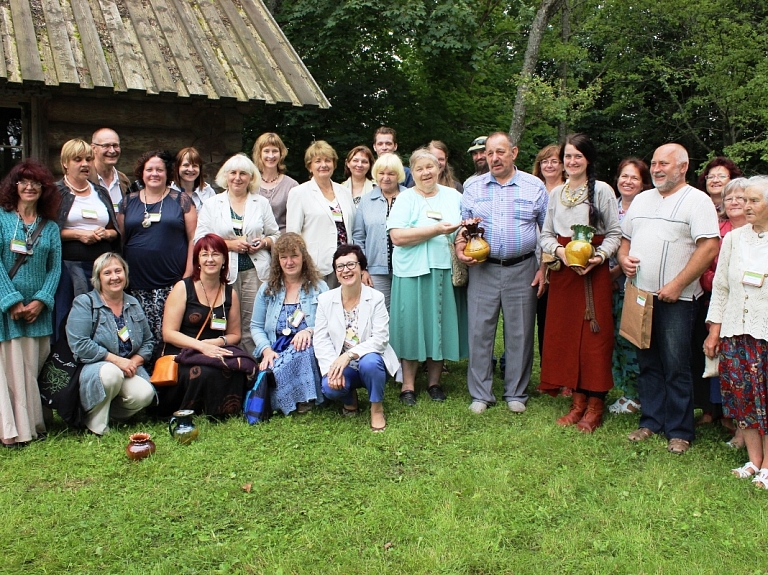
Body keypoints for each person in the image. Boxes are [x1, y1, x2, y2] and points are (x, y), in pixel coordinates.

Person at [619, 143, 720, 454]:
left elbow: (710, 247)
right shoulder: (641, 200)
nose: (657, 168)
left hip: (679, 300)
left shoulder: (697, 201)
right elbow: (625, 241)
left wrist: (677, 284)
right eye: (654, 163)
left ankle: (679, 430)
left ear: (683, 167)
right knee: (647, 361)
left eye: (664, 163)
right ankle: (651, 421)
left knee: (677, 366)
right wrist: (623, 260)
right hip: (640, 296)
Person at [456, 132, 548, 414]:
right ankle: (481, 394)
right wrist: (461, 249)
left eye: (500, 152)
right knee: (480, 331)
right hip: (483, 267)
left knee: (520, 332)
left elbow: (548, 232)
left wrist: (544, 268)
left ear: (514, 153)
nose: (493, 158)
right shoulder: (473, 187)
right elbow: (463, 227)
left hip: (523, 268)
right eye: (489, 153)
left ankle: (516, 392)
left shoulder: (535, 187)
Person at [539, 134, 622, 432]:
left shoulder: (601, 191)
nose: (572, 162)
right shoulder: (556, 193)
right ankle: (577, 403)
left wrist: (598, 258)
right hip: (564, 274)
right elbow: (546, 235)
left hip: (592, 273)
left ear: (588, 160)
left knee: (593, 339)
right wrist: (561, 251)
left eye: (578, 157)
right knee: (566, 335)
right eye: (568, 157)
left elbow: (614, 234)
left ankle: (595, 405)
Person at [387, 148, 468, 405]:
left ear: (439, 168)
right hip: (411, 270)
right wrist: (434, 230)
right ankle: (408, 386)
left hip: (444, 268)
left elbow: (462, 231)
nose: (425, 173)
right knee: (411, 326)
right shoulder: (405, 198)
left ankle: (434, 383)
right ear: (413, 172)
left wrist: (464, 239)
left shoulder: (453, 196)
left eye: (430, 167)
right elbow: (397, 237)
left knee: (439, 325)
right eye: (419, 168)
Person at [704, 176, 768, 485]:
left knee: (766, 399)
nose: (746, 205)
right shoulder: (733, 239)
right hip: (735, 332)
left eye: (754, 200)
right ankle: (754, 460)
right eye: (745, 199)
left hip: (765, 334)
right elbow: (721, 288)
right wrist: (714, 331)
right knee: (744, 399)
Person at [0, 159, 61, 447]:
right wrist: (10, 300)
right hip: (7, 313)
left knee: (31, 369)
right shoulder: (1, 219)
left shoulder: (49, 227)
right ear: (13, 187)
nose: (29, 187)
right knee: (12, 370)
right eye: (23, 181)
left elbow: (55, 268)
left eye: (36, 182)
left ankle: (34, 424)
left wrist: (41, 300)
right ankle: (15, 431)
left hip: (38, 314)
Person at [117, 151, 197, 365]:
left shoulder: (181, 200)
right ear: (141, 173)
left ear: (167, 173)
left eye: (159, 169)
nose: (154, 174)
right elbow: (121, 241)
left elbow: (193, 239)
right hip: (136, 286)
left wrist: (187, 276)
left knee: (168, 337)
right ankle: (144, 383)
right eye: (149, 169)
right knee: (140, 337)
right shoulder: (127, 203)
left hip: (171, 284)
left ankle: (169, 385)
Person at [195, 154, 279, 356]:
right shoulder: (213, 204)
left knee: (253, 322)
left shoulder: (261, 203)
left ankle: (253, 366)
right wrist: (230, 245)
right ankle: (229, 364)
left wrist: (264, 242)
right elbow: (200, 239)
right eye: (233, 173)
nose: (238, 178)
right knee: (225, 322)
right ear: (226, 176)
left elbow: (275, 234)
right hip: (223, 273)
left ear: (251, 178)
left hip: (255, 272)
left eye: (243, 173)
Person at [158, 234, 247, 417]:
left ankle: (226, 412)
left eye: (215, 254)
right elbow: (168, 333)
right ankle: (192, 412)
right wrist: (202, 347)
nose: (210, 259)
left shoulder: (230, 293)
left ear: (224, 260)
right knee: (203, 372)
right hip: (182, 351)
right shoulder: (183, 288)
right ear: (197, 260)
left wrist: (215, 344)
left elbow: (235, 334)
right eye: (204, 254)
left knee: (238, 369)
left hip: (216, 349)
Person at [66, 253, 155, 435]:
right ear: (98, 278)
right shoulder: (85, 303)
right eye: (107, 273)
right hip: (95, 369)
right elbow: (80, 344)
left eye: (118, 271)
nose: (114, 277)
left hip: (128, 368)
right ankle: (96, 425)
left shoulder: (133, 303)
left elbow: (148, 341)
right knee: (111, 373)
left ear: (125, 274)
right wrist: (117, 361)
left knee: (145, 394)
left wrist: (134, 362)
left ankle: (110, 414)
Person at [314, 245, 399, 432]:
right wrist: (332, 368)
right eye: (340, 266)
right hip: (343, 365)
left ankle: (376, 409)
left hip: (370, 361)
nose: (346, 270)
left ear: (361, 268)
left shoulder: (376, 298)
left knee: (370, 362)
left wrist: (349, 355)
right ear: (336, 272)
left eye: (351, 264)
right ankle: (349, 398)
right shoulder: (325, 300)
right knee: (329, 386)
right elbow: (320, 339)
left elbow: (381, 339)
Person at [251, 233, 328, 415]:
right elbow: (256, 326)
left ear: (303, 257)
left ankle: (300, 398)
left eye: (294, 255)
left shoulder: (320, 288)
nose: (289, 262)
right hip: (276, 349)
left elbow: (333, 324)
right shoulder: (267, 289)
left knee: (302, 348)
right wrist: (266, 350)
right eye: (283, 257)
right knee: (276, 362)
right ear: (278, 260)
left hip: (309, 350)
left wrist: (309, 331)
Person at [700, 178, 749, 448]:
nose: (733, 202)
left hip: (754, 314)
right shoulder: (725, 234)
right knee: (733, 372)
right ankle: (739, 428)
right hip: (723, 309)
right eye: (729, 198)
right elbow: (715, 278)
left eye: (742, 198)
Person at [608, 158, 652, 415]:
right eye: (624, 176)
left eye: (634, 178)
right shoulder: (609, 207)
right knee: (615, 338)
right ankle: (625, 390)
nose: (628, 181)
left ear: (643, 183)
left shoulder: (648, 209)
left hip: (635, 285)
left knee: (633, 339)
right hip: (608, 285)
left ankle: (637, 394)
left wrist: (616, 273)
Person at [286, 141, 356, 287]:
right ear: (309, 166)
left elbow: (352, 229)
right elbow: (293, 234)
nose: (323, 165)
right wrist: (301, 264)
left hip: (345, 265)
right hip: (316, 266)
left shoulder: (344, 191)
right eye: (318, 161)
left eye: (328, 160)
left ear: (334, 164)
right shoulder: (299, 193)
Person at [56, 139, 120, 297]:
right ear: (65, 163)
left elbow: (114, 231)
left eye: (89, 159)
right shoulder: (55, 192)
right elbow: (48, 232)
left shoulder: (100, 192)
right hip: (69, 268)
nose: (85, 164)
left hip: (102, 269)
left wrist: (106, 234)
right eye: (78, 160)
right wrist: (79, 235)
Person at [352, 153, 406, 309]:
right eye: (381, 173)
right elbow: (358, 237)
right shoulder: (366, 200)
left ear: (399, 175)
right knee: (381, 312)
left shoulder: (410, 197)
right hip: (375, 270)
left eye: (391, 173)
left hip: (406, 267)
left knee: (405, 311)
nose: (386, 178)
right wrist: (362, 269)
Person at [252, 132, 298, 233]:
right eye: (266, 151)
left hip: (282, 243)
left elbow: (296, 221)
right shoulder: (250, 183)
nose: (271, 155)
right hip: (254, 241)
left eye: (275, 151)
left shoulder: (291, 185)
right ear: (259, 154)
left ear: (281, 154)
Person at [90, 128, 131, 213]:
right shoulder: (86, 178)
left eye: (115, 145)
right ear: (93, 148)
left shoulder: (123, 180)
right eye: (106, 146)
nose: (112, 151)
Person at [171, 147, 216, 211]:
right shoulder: (169, 191)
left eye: (195, 166)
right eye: (186, 165)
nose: (191, 169)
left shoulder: (208, 192)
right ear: (177, 167)